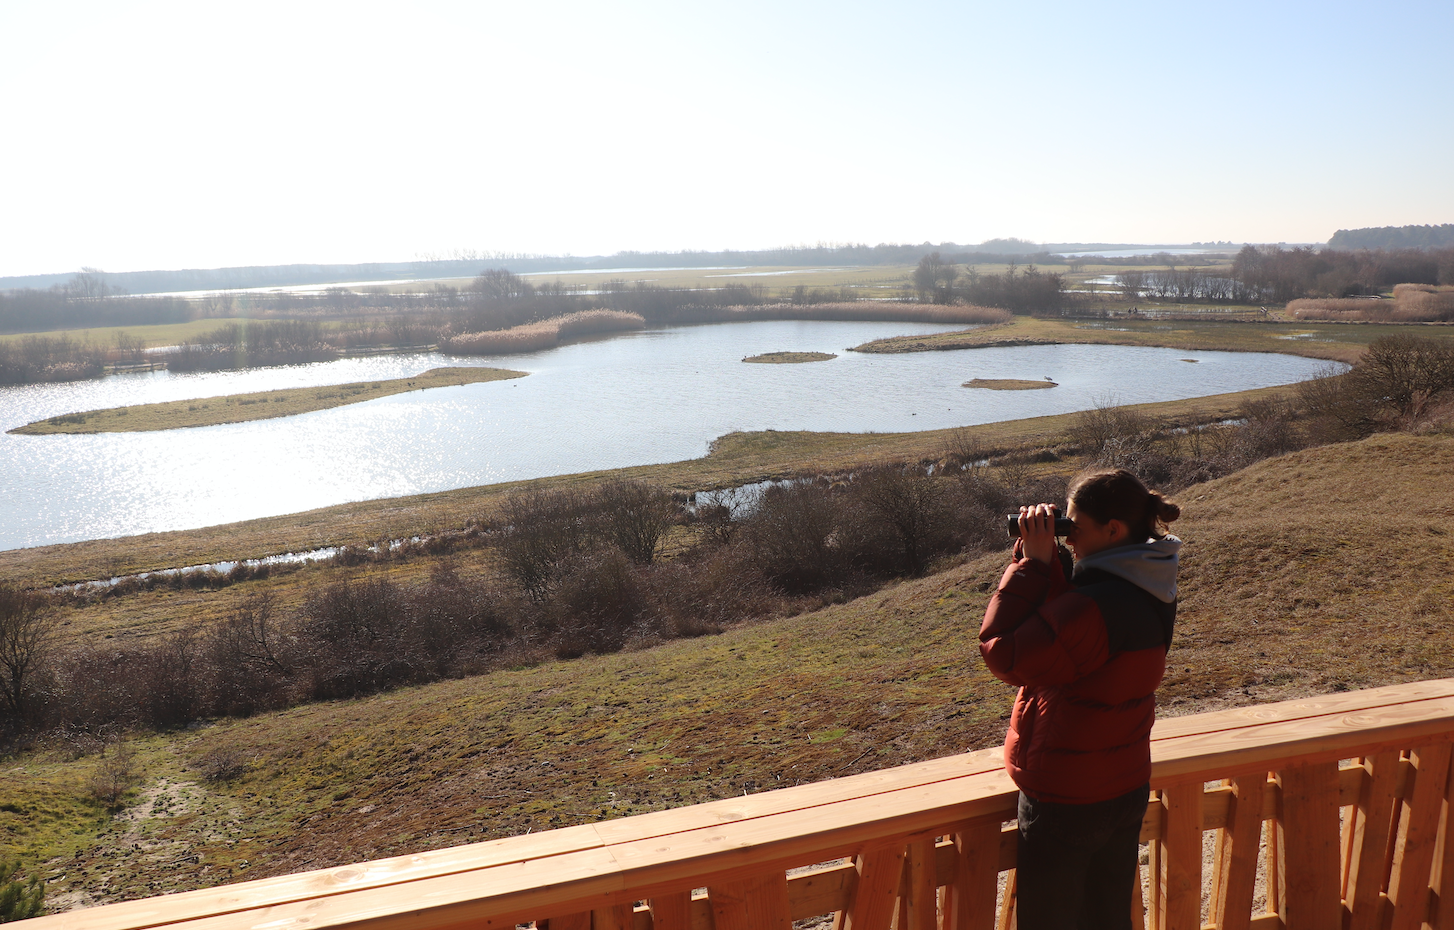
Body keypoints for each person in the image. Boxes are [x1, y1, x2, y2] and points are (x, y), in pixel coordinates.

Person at [978, 468, 1181, 929]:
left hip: (1069, 798)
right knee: (1107, 919)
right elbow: (1070, 637)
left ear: (1113, 530)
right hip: (1123, 785)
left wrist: (1030, 565)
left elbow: (1005, 653)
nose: (1068, 540)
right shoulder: (1148, 582)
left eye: (1075, 528)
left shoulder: (1094, 605)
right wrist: (1050, 561)